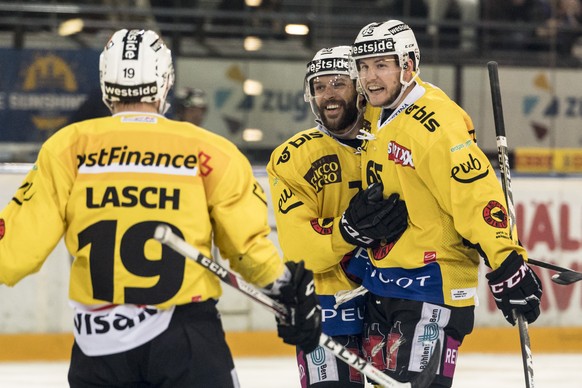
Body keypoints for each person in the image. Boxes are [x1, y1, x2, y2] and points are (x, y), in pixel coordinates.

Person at [0, 28, 321, 388]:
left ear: (106, 82)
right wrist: (284, 287)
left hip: (99, 349)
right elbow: (247, 249)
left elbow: (12, 253)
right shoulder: (212, 150)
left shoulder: (67, 147)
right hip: (186, 341)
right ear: (166, 82)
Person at [346, 20, 543, 387]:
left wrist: (505, 260)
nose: (370, 76)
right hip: (382, 284)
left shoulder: (437, 124)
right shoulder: (377, 110)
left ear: (408, 66)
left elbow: (475, 196)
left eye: (381, 65)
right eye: (364, 66)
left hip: (431, 289)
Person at [267, 46, 408, 387]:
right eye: (319, 87)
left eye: (338, 84)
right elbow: (301, 248)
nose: (327, 95)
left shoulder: (397, 138)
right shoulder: (292, 158)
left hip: (392, 298)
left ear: (360, 87)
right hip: (328, 304)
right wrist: (347, 230)